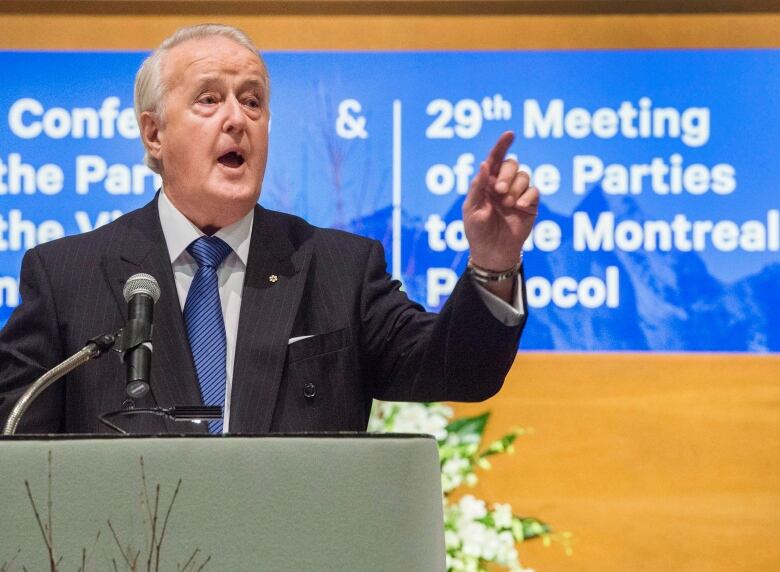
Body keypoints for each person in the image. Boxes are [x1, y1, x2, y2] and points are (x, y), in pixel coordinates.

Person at [0, 24, 539, 435]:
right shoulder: (65, 275)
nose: (237, 117)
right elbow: (16, 442)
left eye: (252, 100)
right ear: (154, 133)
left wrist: (493, 264)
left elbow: (456, 372)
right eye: (209, 99)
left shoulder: (339, 267)